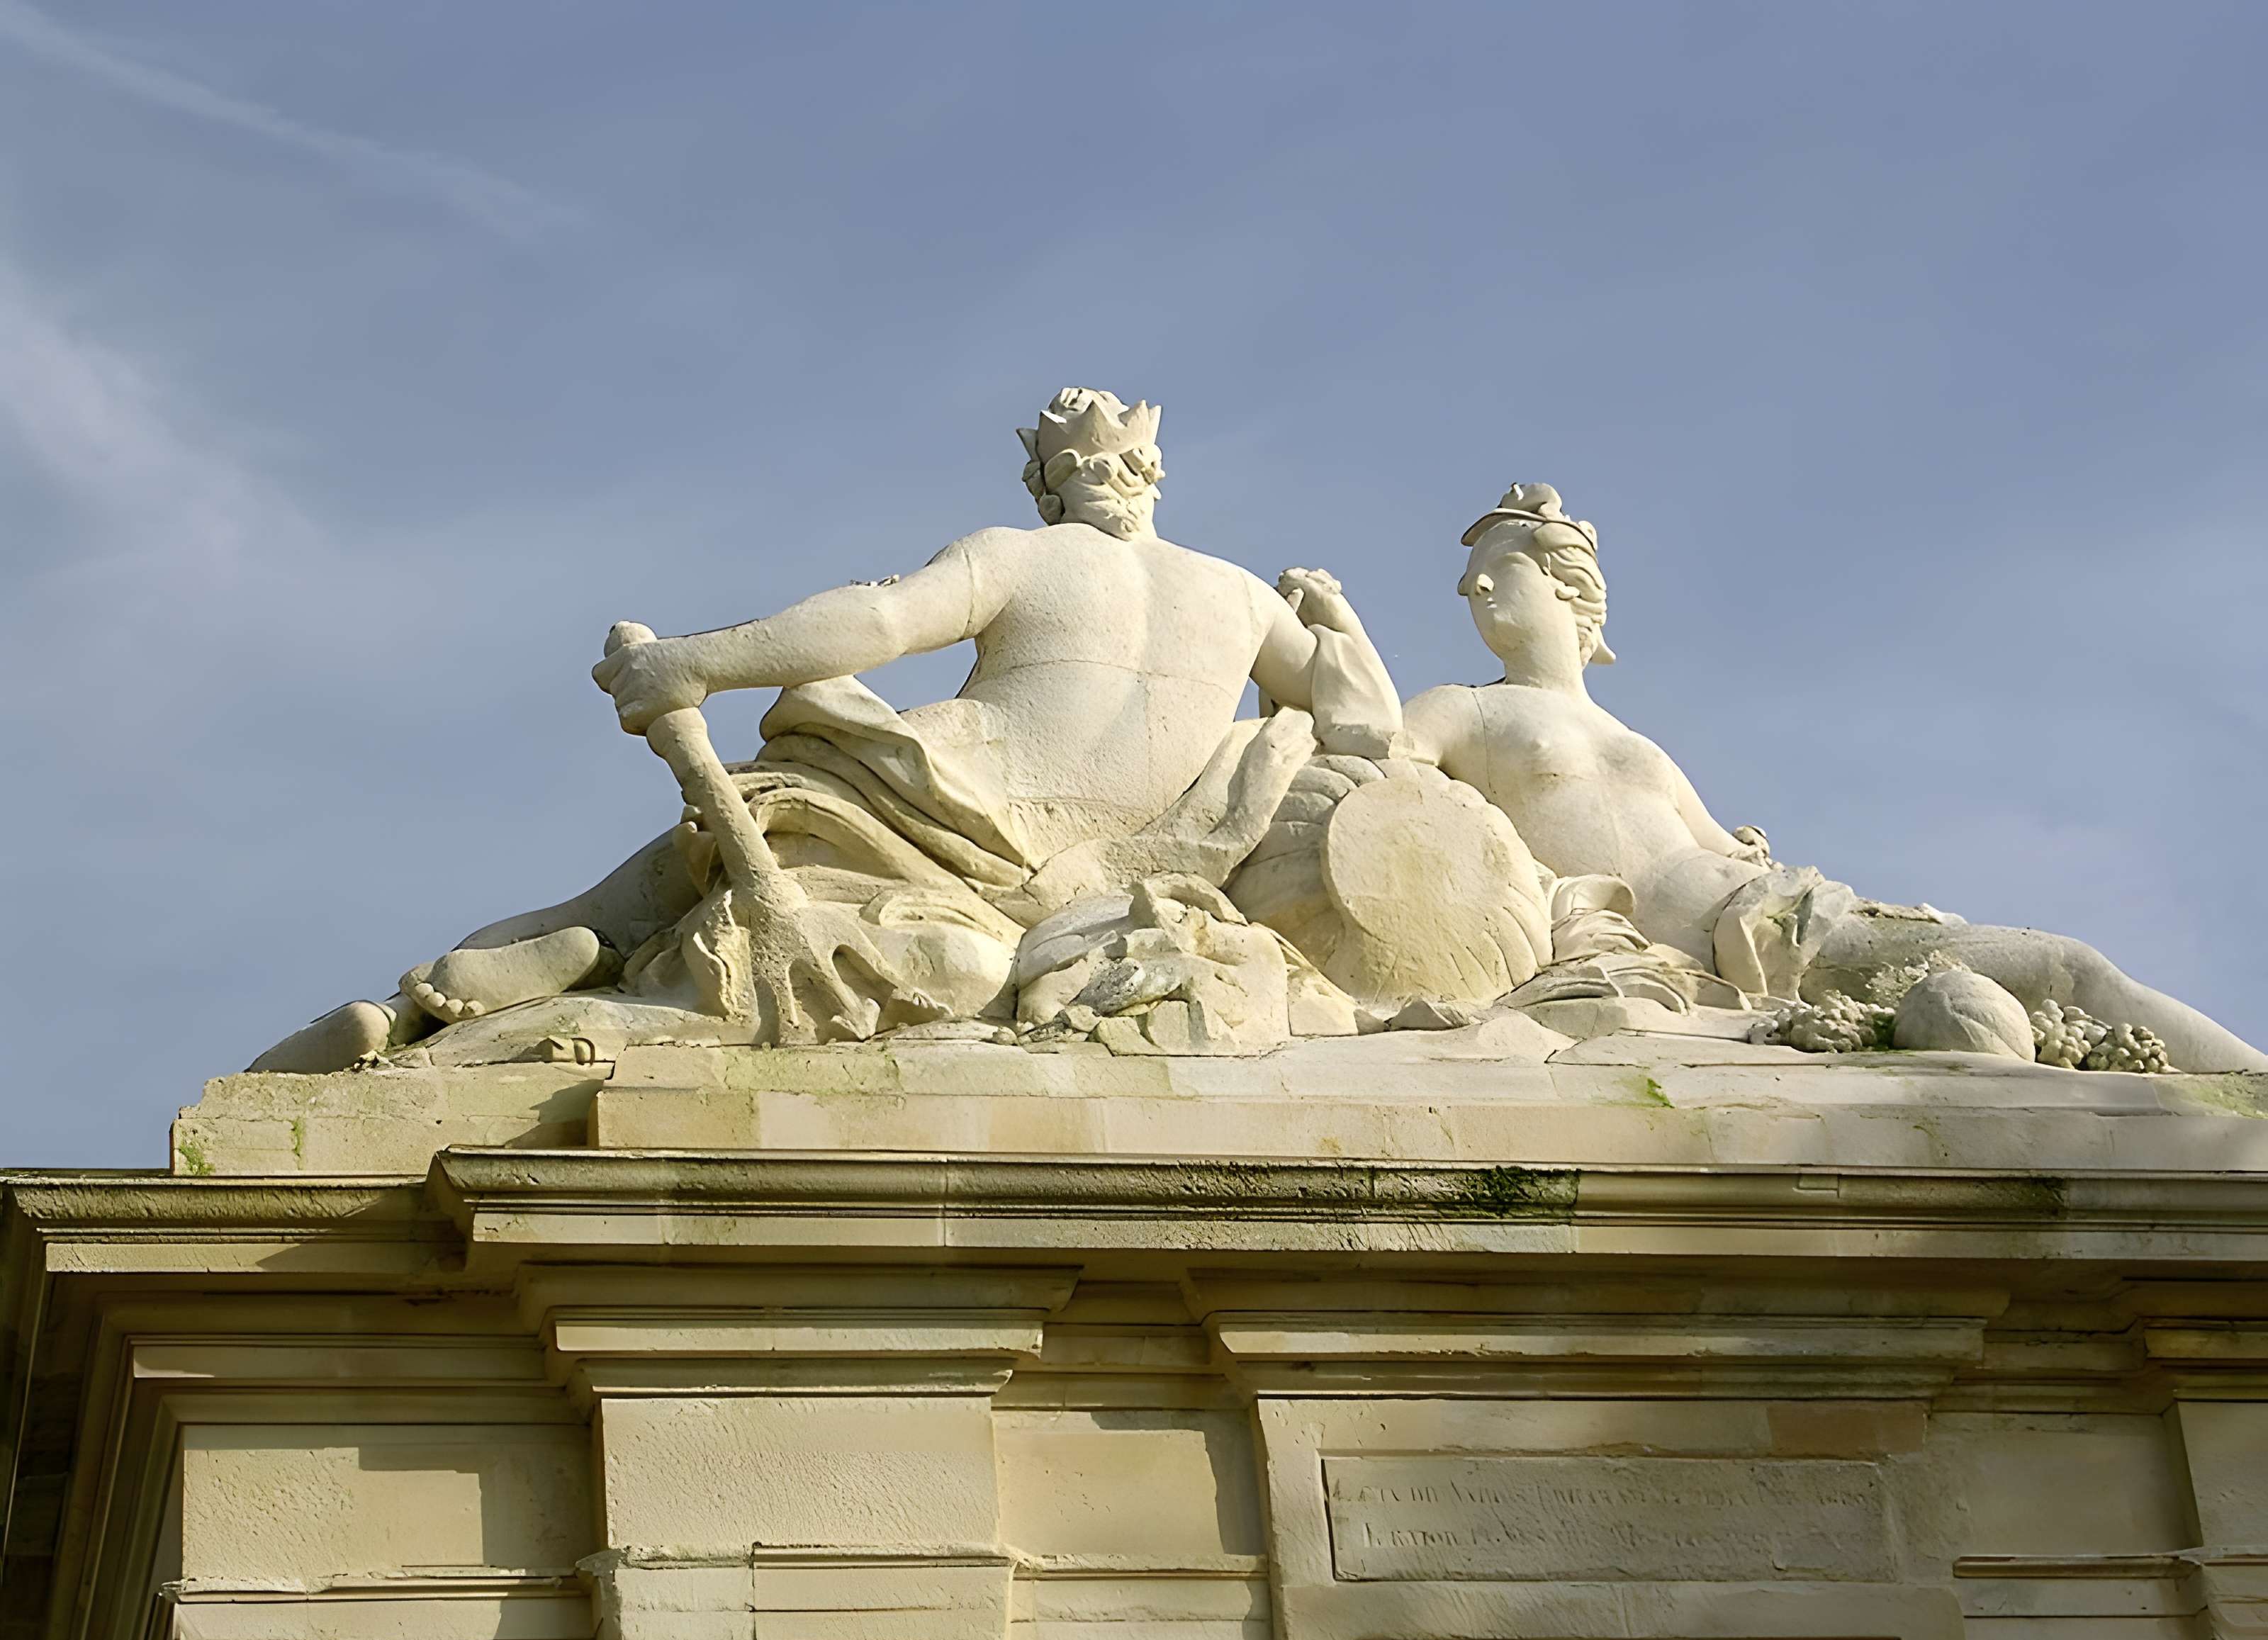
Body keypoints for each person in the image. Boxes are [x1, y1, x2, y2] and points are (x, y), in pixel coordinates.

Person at [252, 389, 1365, 1071]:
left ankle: (416, 1007)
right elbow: (1362, 720)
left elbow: (874, 626)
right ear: (1152, 478)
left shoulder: (1020, 553)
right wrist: (1339, 620)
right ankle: (498, 987)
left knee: (630, 905)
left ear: (1049, 487)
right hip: (1052, 869)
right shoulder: (1241, 599)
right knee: (670, 911)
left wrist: (692, 661)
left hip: (922, 792)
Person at [1376, 482, 2266, 1072]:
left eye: (1498, 574)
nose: (1475, 594)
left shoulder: (1632, 739)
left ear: (1569, 589)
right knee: (2060, 969)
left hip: (1778, 914)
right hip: (1721, 949)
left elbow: (1719, 848)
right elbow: (1375, 771)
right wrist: (1331, 642)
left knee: (2067, 968)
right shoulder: (1461, 708)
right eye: (1468, 585)